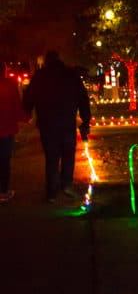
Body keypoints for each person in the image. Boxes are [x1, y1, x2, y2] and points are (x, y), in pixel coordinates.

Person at [23, 50, 91, 203]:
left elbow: (28, 97)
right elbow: (83, 98)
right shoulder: (70, 75)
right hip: (67, 122)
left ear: (46, 62)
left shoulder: (40, 77)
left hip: (47, 124)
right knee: (68, 155)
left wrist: (27, 112)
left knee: (51, 158)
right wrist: (85, 120)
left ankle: (52, 191)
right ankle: (66, 184)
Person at [0, 61, 25, 202]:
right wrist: (24, 117)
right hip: (6, 130)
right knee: (4, 161)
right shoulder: (10, 85)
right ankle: (3, 191)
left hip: (7, 128)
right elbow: (16, 105)